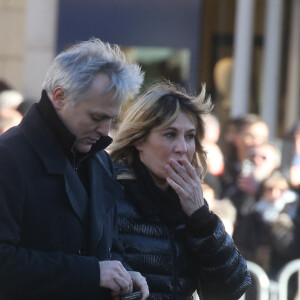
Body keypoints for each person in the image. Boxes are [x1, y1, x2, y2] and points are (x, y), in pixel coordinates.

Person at [0, 38, 149, 300]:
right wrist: (92, 273)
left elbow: (107, 249)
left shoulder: (99, 160)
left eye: (111, 119)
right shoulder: (9, 156)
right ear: (59, 97)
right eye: (96, 117)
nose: (105, 130)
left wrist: (124, 273)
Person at [110, 81, 251, 300]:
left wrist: (201, 218)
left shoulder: (189, 201)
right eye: (170, 134)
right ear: (139, 139)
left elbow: (230, 289)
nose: (182, 148)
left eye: (189, 136)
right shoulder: (110, 191)